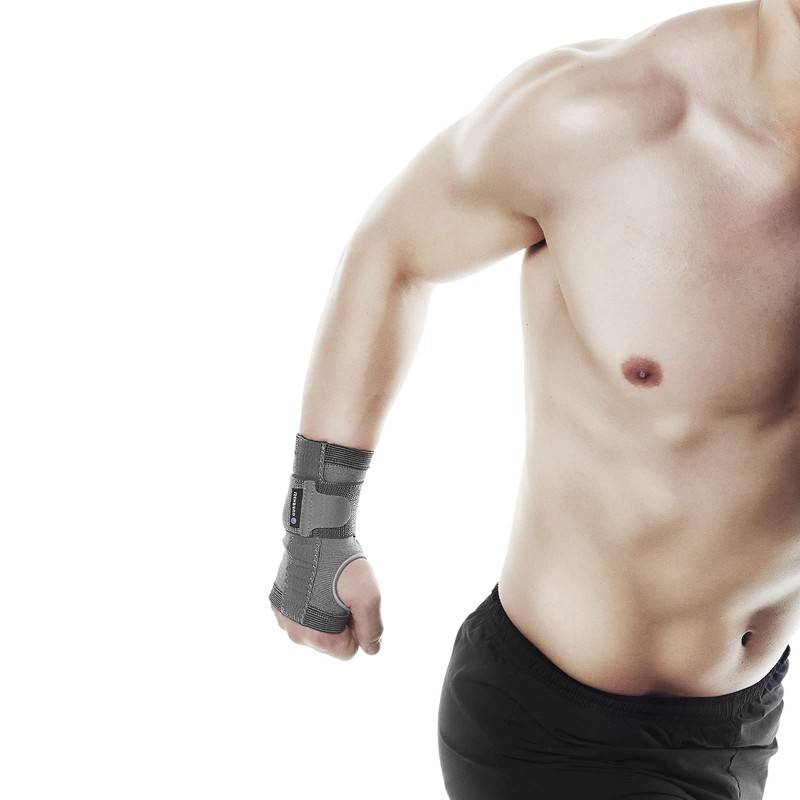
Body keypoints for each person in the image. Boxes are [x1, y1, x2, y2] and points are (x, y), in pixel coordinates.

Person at [270, 1, 800, 797]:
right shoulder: (600, 119)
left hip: (744, 726)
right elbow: (395, 248)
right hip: (553, 731)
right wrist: (317, 528)